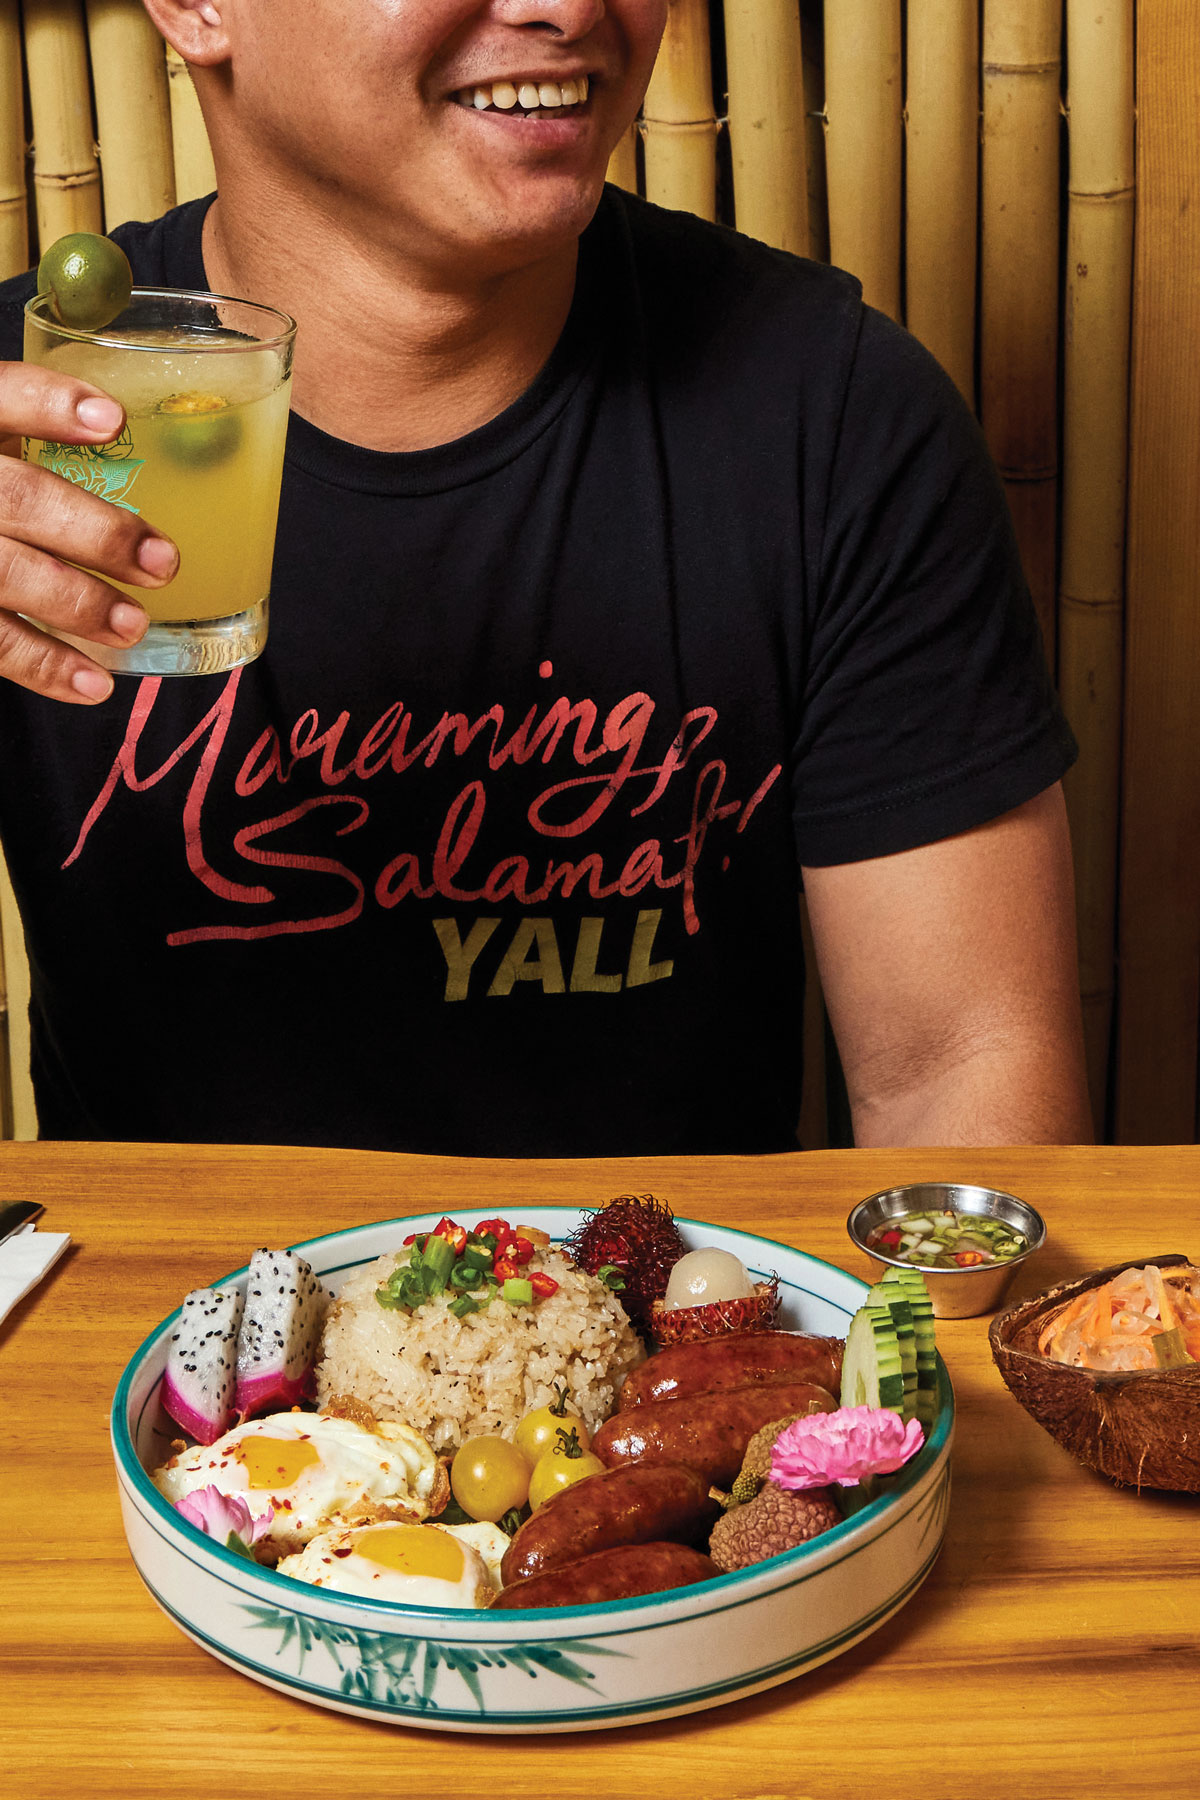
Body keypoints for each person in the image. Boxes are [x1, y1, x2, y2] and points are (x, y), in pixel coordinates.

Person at [0, 0, 1092, 1154]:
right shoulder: (24, 435)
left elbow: (956, 1076)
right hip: (159, 1276)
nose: (566, 7)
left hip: (676, 1271)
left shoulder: (836, 416)